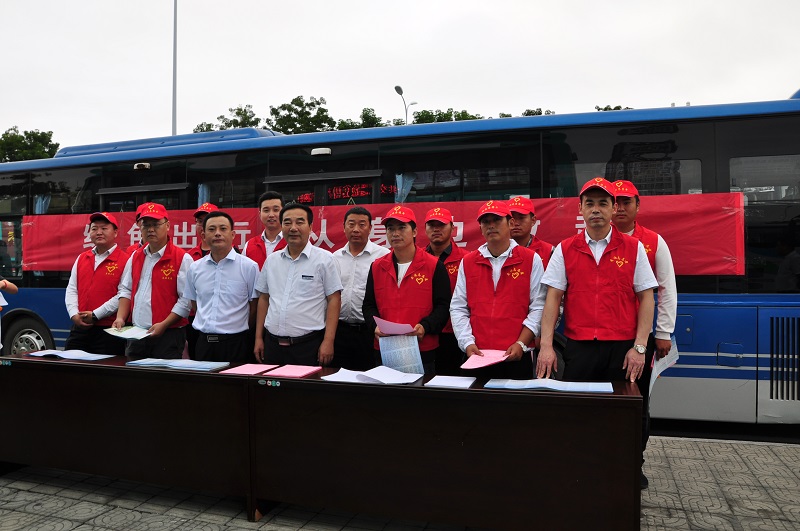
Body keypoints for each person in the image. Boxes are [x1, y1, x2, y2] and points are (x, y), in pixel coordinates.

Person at [537, 177, 657, 489]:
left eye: (603, 203)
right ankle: (581, 472)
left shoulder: (633, 248)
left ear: (613, 208)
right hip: (581, 347)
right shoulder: (565, 249)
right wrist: (546, 346)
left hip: (623, 349)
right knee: (580, 413)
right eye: (589, 203)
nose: (596, 210)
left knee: (627, 415)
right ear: (580, 209)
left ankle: (628, 471)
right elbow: (553, 298)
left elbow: (647, 298)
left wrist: (640, 347)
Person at [612, 179, 678, 489]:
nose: (619, 207)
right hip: (602, 339)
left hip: (639, 340)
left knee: (636, 403)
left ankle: (633, 463)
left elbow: (666, 289)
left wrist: (662, 332)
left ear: (638, 206)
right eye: (614, 201)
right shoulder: (594, 240)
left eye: (626, 201)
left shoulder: (653, 241)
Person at [450, 200, 545, 379]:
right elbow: (458, 307)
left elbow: (539, 306)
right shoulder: (468, 262)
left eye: (497, 220)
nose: (491, 226)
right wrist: (467, 343)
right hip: (477, 355)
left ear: (510, 223)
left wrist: (521, 343)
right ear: (480, 228)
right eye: (486, 222)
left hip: (516, 356)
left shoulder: (531, 259)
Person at [362, 205, 451, 375]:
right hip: (385, 348)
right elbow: (368, 305)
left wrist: (425, 327)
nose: (395, 233)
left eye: (402, 228)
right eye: (390, 229)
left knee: (419, 391)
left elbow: (443, 306)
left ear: (415, 231)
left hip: (421, 349)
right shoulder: (377, 266)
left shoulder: (434, 266)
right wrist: (374, 327)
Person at [253, 203, 342, 366]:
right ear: (281, 227)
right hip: (272, 345)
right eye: (287, 223)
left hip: (308, 346)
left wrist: (328, 341)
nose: (293, 228)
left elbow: (334, 300)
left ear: (310, 227)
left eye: (300, 222)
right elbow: (264, 298)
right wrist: (259, 337)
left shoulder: (325, 260)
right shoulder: (272, 260)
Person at [113, 203, 193, 359]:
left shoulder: (182, 258)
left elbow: (186, 300)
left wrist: (164, 324)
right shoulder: (135, 256)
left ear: (167, 226)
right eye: (146, 225)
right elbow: (126, 289)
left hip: (168, 334)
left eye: (156, 224)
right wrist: (120, 317)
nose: (150, 229)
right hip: (136, 334)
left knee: (162, 375)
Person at [185, 211, 260, 364]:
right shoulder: (195, 268)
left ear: (233, 234)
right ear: (203, 235)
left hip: (236, 343)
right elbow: (195, 303)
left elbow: (254, 306)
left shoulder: (249, 267)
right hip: (204, 343)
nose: (217, 233)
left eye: (223, 229)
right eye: (212, 229)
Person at [64, 212, 130, 356]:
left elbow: (124, 294)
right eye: (94, 229)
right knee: (70, 365)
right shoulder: (82, 258)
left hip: (109, 329)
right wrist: (74, 314)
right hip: (80, 328)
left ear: (115, 232)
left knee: (105, 369)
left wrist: (96, 315)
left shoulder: (126, 260)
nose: (99, 232)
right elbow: (72, 289)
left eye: (104, 228)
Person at [332, 206, 390, 370]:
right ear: (344, 227)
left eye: (362, 224)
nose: (356, 229)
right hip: (340, 331)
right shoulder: (334, 258)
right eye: (351, 224)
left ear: (370, 228)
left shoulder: (383, 256)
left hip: (370, 331)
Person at [424, 207, 469, 375]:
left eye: (441, 225)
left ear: (452, 228)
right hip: (424, 332)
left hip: (454, 333)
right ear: (424, 229)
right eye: (432, 225)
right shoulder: (417, 258)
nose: (436, 229)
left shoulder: (466, 259)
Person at [186, 202, 220, 359]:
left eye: (208, 220)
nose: (203, 225)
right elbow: (191, 295)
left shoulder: (235, 255)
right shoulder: (189, 256)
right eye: (200, 221)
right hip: (196, 321)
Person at [508, 196, 554, 270]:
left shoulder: (548, 251)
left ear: (533, 220)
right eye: (511, 218)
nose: (515, 223)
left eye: (521, 218)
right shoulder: (495, 251)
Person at [243, 191, 287, 269]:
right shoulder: (249, 245)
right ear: (260, 214)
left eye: (276, 210)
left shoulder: (292, 243)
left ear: (284, 213)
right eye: (266, 210)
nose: (271, 215)